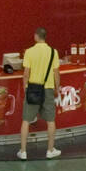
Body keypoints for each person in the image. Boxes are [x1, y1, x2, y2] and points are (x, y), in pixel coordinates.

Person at [18, 26, 61, 161]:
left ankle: (23, 151)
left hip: (33, 88)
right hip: (48, 88)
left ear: (36, 36)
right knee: (50, 121)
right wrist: (57, 88)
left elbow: (26, 73)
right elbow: (56, 73)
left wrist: (25, 87)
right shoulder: (53, 52)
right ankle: (50, 150)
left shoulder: (29, 52)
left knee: (26, 120)